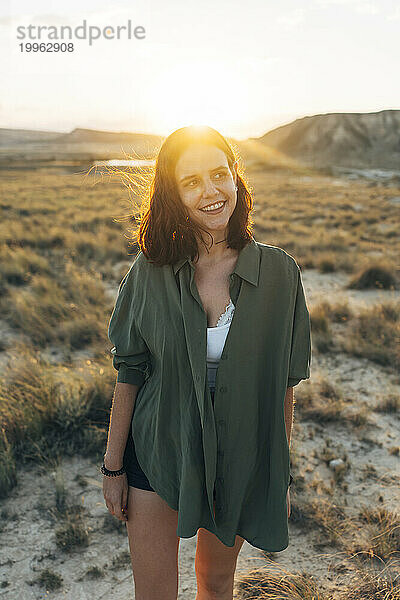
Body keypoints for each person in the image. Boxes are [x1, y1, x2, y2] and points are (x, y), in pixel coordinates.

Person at [102, 125, 311, 600]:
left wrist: (279, 476)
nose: (211, 191)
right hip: (157, 449)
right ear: (174, 194)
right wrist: (113, 468)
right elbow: (130, 371)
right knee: (155, 594)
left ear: (236, 179)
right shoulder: (150, 271)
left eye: (220, 174)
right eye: (191, 181)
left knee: (216, 584)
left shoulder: (279, 273)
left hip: (236, 456)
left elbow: (284, 385)